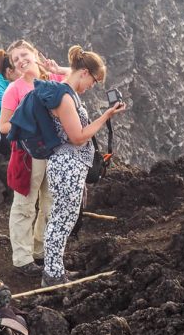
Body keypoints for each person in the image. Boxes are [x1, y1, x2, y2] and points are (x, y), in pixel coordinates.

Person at [41, 45, 126, 287]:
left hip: (69, 165)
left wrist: (62, 67)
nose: (92, 86)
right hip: (67, 165)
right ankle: (52, 275)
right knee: (62, 219)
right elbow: (77, 136)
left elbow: (76, 69)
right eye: (94, 81)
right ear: (85, 73)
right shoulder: (65, 98)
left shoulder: (67, 89)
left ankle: (56, 269)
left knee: (65, 217)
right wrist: (105, 117)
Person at [0, 39, 66, 276]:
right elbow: (4, 126)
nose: (20, 61)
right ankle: (22, 259)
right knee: (25, 206)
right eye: (15, 59)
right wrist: (29, 121)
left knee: (50, 203)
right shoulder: (14, 89)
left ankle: (41, 251)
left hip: (56, 152)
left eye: (24, 55)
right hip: (28, 154)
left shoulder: (54, 80)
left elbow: (78, 77)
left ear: (35, 54)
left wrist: (58, 70)